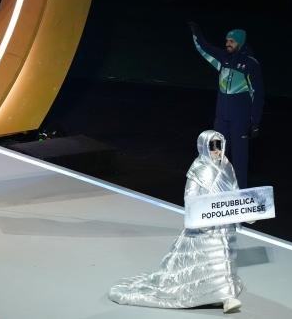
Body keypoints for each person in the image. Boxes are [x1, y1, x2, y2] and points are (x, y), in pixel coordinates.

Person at [110, 130, 244, 313]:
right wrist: (201, 214)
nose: (217, 151)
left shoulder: (227, 166)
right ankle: (224, 297)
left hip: (224, 223)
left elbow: (235, 191)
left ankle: (221, 294)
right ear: (204, 147)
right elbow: (190, 196)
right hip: (204, 224)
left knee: (223, 259)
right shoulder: (199, 168)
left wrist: (243, 211)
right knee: (210, 259)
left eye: (219, 146)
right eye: (212, 146)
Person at [189, 23, 263, 188]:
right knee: (215, 153)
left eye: (232, 41)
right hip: (221, 119)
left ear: (240, 43)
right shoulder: (223, 58)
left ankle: (240, 191)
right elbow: (205, 49)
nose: (227, 43)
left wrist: (255, 122)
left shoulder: (250, 64)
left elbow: (257, 95)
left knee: (239, 158)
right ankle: (214, 187)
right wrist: (196, 33)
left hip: (240, 121)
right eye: (227, 40)